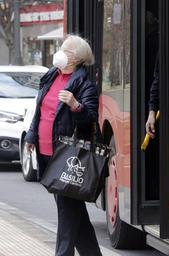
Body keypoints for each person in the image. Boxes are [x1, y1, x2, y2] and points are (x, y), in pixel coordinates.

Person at [24, 35, 102, 256]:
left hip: (67, 157)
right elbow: (40, 110)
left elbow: (90, 116)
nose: (59, 52)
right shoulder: (51, 76)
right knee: (74, 211)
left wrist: (76, 105)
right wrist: (31, 136)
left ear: (76, 58)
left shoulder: (84, 84)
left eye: (65, 50)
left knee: (67, 213)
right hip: (47, 152)